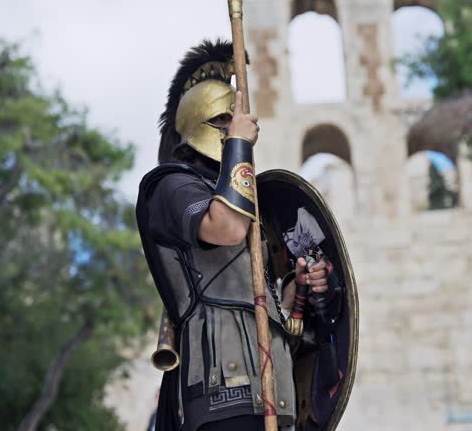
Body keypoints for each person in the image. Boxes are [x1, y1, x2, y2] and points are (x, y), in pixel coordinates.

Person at [136, 39, 332, 431]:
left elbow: (251, 295)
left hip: (274, 394)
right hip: (220, 393)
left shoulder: (239, 200)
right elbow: (224, 228)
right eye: (223, 120)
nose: (235, 127)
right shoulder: (171, 187)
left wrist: (296, 290)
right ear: (198, 124)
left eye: (235, 120)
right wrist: (239, 142)